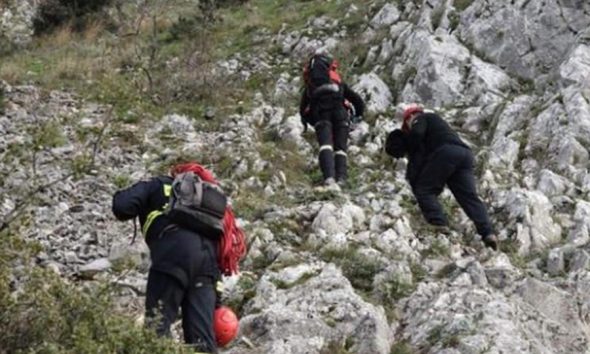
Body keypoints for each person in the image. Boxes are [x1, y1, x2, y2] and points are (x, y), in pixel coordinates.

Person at [112, 162, 246, 353]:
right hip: (207, 265)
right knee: (202, 342)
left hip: (173, 255)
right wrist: (215, 302)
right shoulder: (205, 208)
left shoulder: (158, 184)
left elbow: (122, 207)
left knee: (157, 328)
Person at [385, 104, 498, 250]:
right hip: (465, 155)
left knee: (424, 189)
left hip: (446, 152)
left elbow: (417, 134)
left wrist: (409, 146)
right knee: (469, 197)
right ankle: (488, 233)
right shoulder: (439, 128)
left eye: (407, 124)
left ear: (410, 117)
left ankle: (439, 224)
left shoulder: (421, 118)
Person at [299, 53, 365, 187]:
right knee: (340, 148)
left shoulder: (310, 86)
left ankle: (329, 178)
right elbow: (357, 101)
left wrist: (310, 122)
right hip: (340, 113)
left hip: (321, 115)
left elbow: (302, 110)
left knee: (325, 145)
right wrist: (358, 116)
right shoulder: (337, 82)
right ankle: (341, 178)